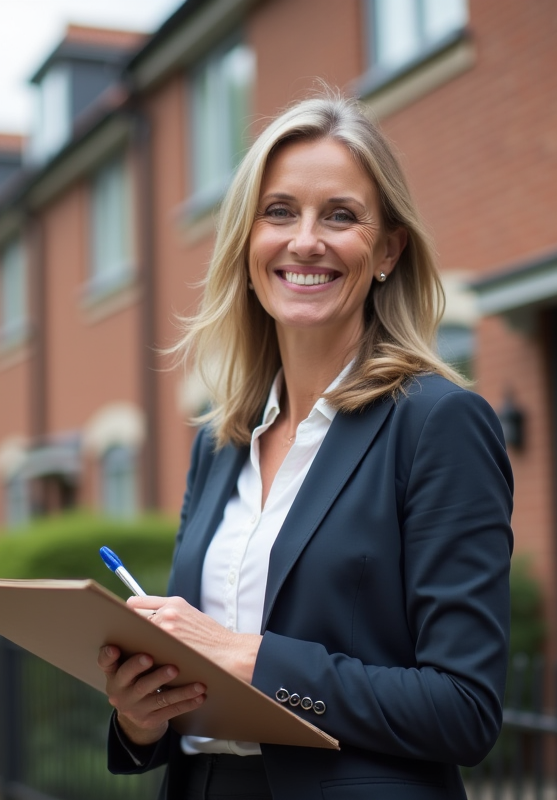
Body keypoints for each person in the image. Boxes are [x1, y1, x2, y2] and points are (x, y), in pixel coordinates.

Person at [97, 92, 514, 800]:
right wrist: (142, 716)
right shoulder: (220, 442)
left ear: (388, 250)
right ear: (247, 243)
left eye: (341, 216)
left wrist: (252, 660)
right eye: (280, 211)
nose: (306, 241)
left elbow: (464, 709)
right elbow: (193, 676)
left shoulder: (438, 424)